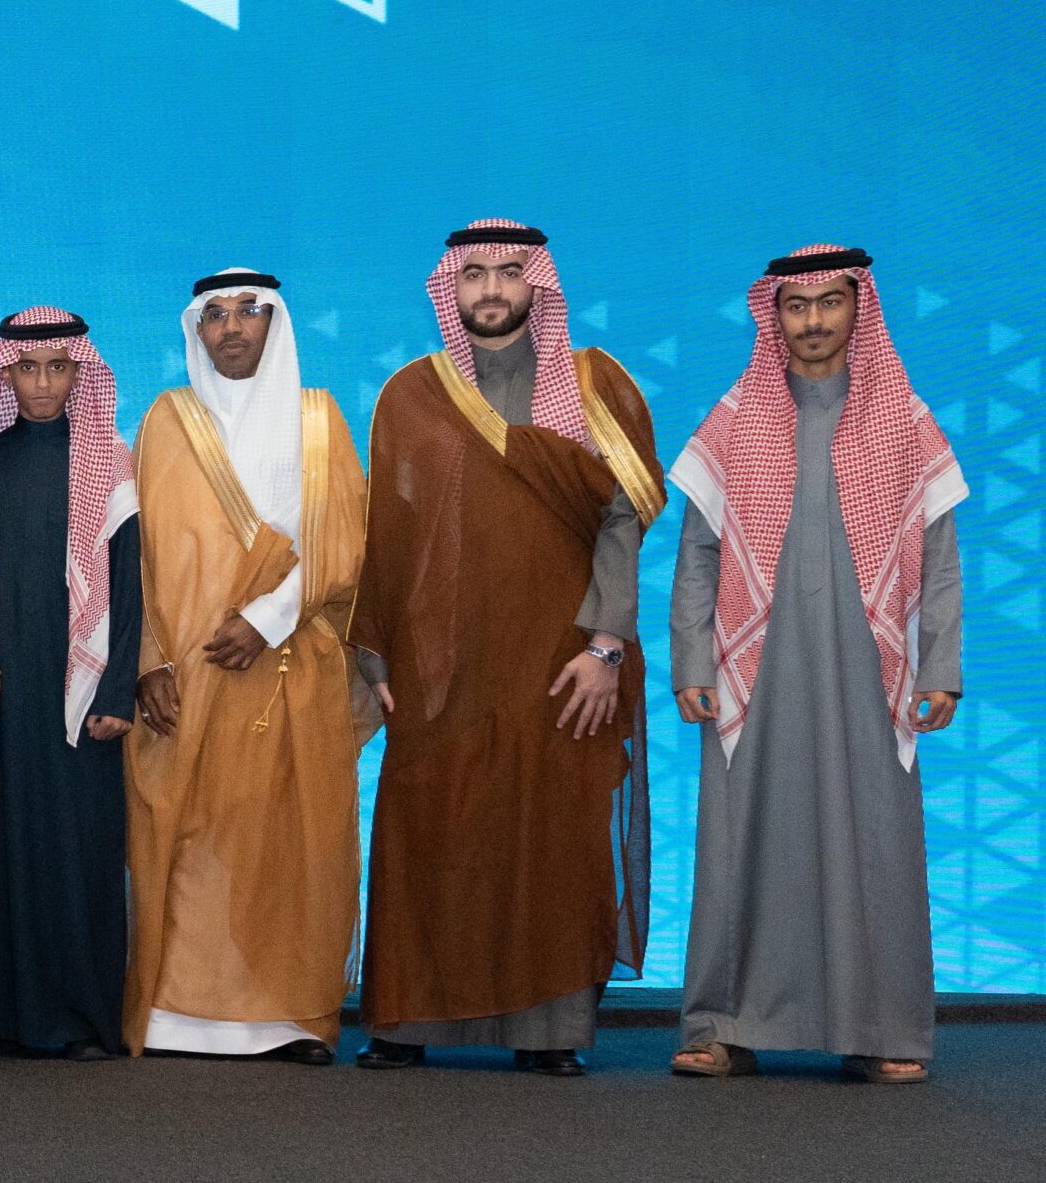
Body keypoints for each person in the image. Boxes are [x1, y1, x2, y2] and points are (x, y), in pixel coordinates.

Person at [350, 221, 662, 1075]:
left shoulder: (596, 384)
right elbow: (386, 534)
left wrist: (606, 646)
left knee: (549, 836)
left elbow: (622, 520)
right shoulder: (411, 393)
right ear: (450, 286)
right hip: (438, 662)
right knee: (431, 827)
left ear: (538, 284)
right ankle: (408, 1020)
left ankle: (547, 1032)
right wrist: (376, 655)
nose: (491, 288)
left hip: (560, 656)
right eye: (475, 273)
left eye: (510, 272)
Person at [668, 245, 965, 1085]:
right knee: (739, 841)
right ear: (774, 316)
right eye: (796, 306)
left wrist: (940, 666)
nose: (812, 321)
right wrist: (692, 658)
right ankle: (724, 1024)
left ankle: (881, 1027)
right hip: (752, 667)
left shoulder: (903, 421)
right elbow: (698, 554)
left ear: (858, 308)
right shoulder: (736, 420)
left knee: (876, 837)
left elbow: (939, 559)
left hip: (870, 670)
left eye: (829, 302)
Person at [125, 269, 371, 1066]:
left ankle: (287, 1018)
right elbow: (137, 556)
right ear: (196, 329)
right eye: (216, 315)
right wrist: (148, 661)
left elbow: (345, 543)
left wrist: (266, 621)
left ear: (276, 324)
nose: (232, 327)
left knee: (288, 841)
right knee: (191, 837)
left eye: (250, 312)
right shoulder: (166, 420)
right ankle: (174, 1013)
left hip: (288, 662)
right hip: (185, 674)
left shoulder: (318, 419)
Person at [0, 307, 138, 1060]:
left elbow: (130, 587)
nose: (44, 384)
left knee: (76, 853)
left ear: (80, 374)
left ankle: (80, 1019)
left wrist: (116, 691)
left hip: (78, 692)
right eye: (28, 369)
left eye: (59, 368)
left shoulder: (110, 462)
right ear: (6, 376)